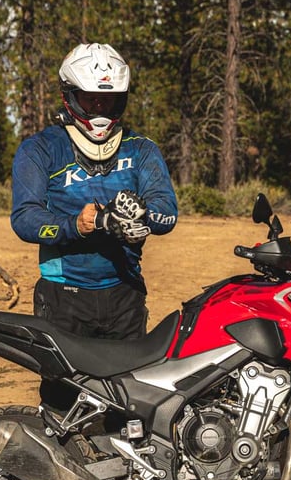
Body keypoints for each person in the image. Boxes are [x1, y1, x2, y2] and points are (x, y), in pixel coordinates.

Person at [10, 42, 178, 412]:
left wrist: (140, 215)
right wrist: (78, 224)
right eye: (90, 100)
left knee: (130, 401)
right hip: (63, 297)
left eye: (110, 101)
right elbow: (24, 218)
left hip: (124, 295)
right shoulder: (41, 149)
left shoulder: (140, 149)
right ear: (69, 97)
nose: (100, 110)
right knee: (61, 403)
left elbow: (167, 212)